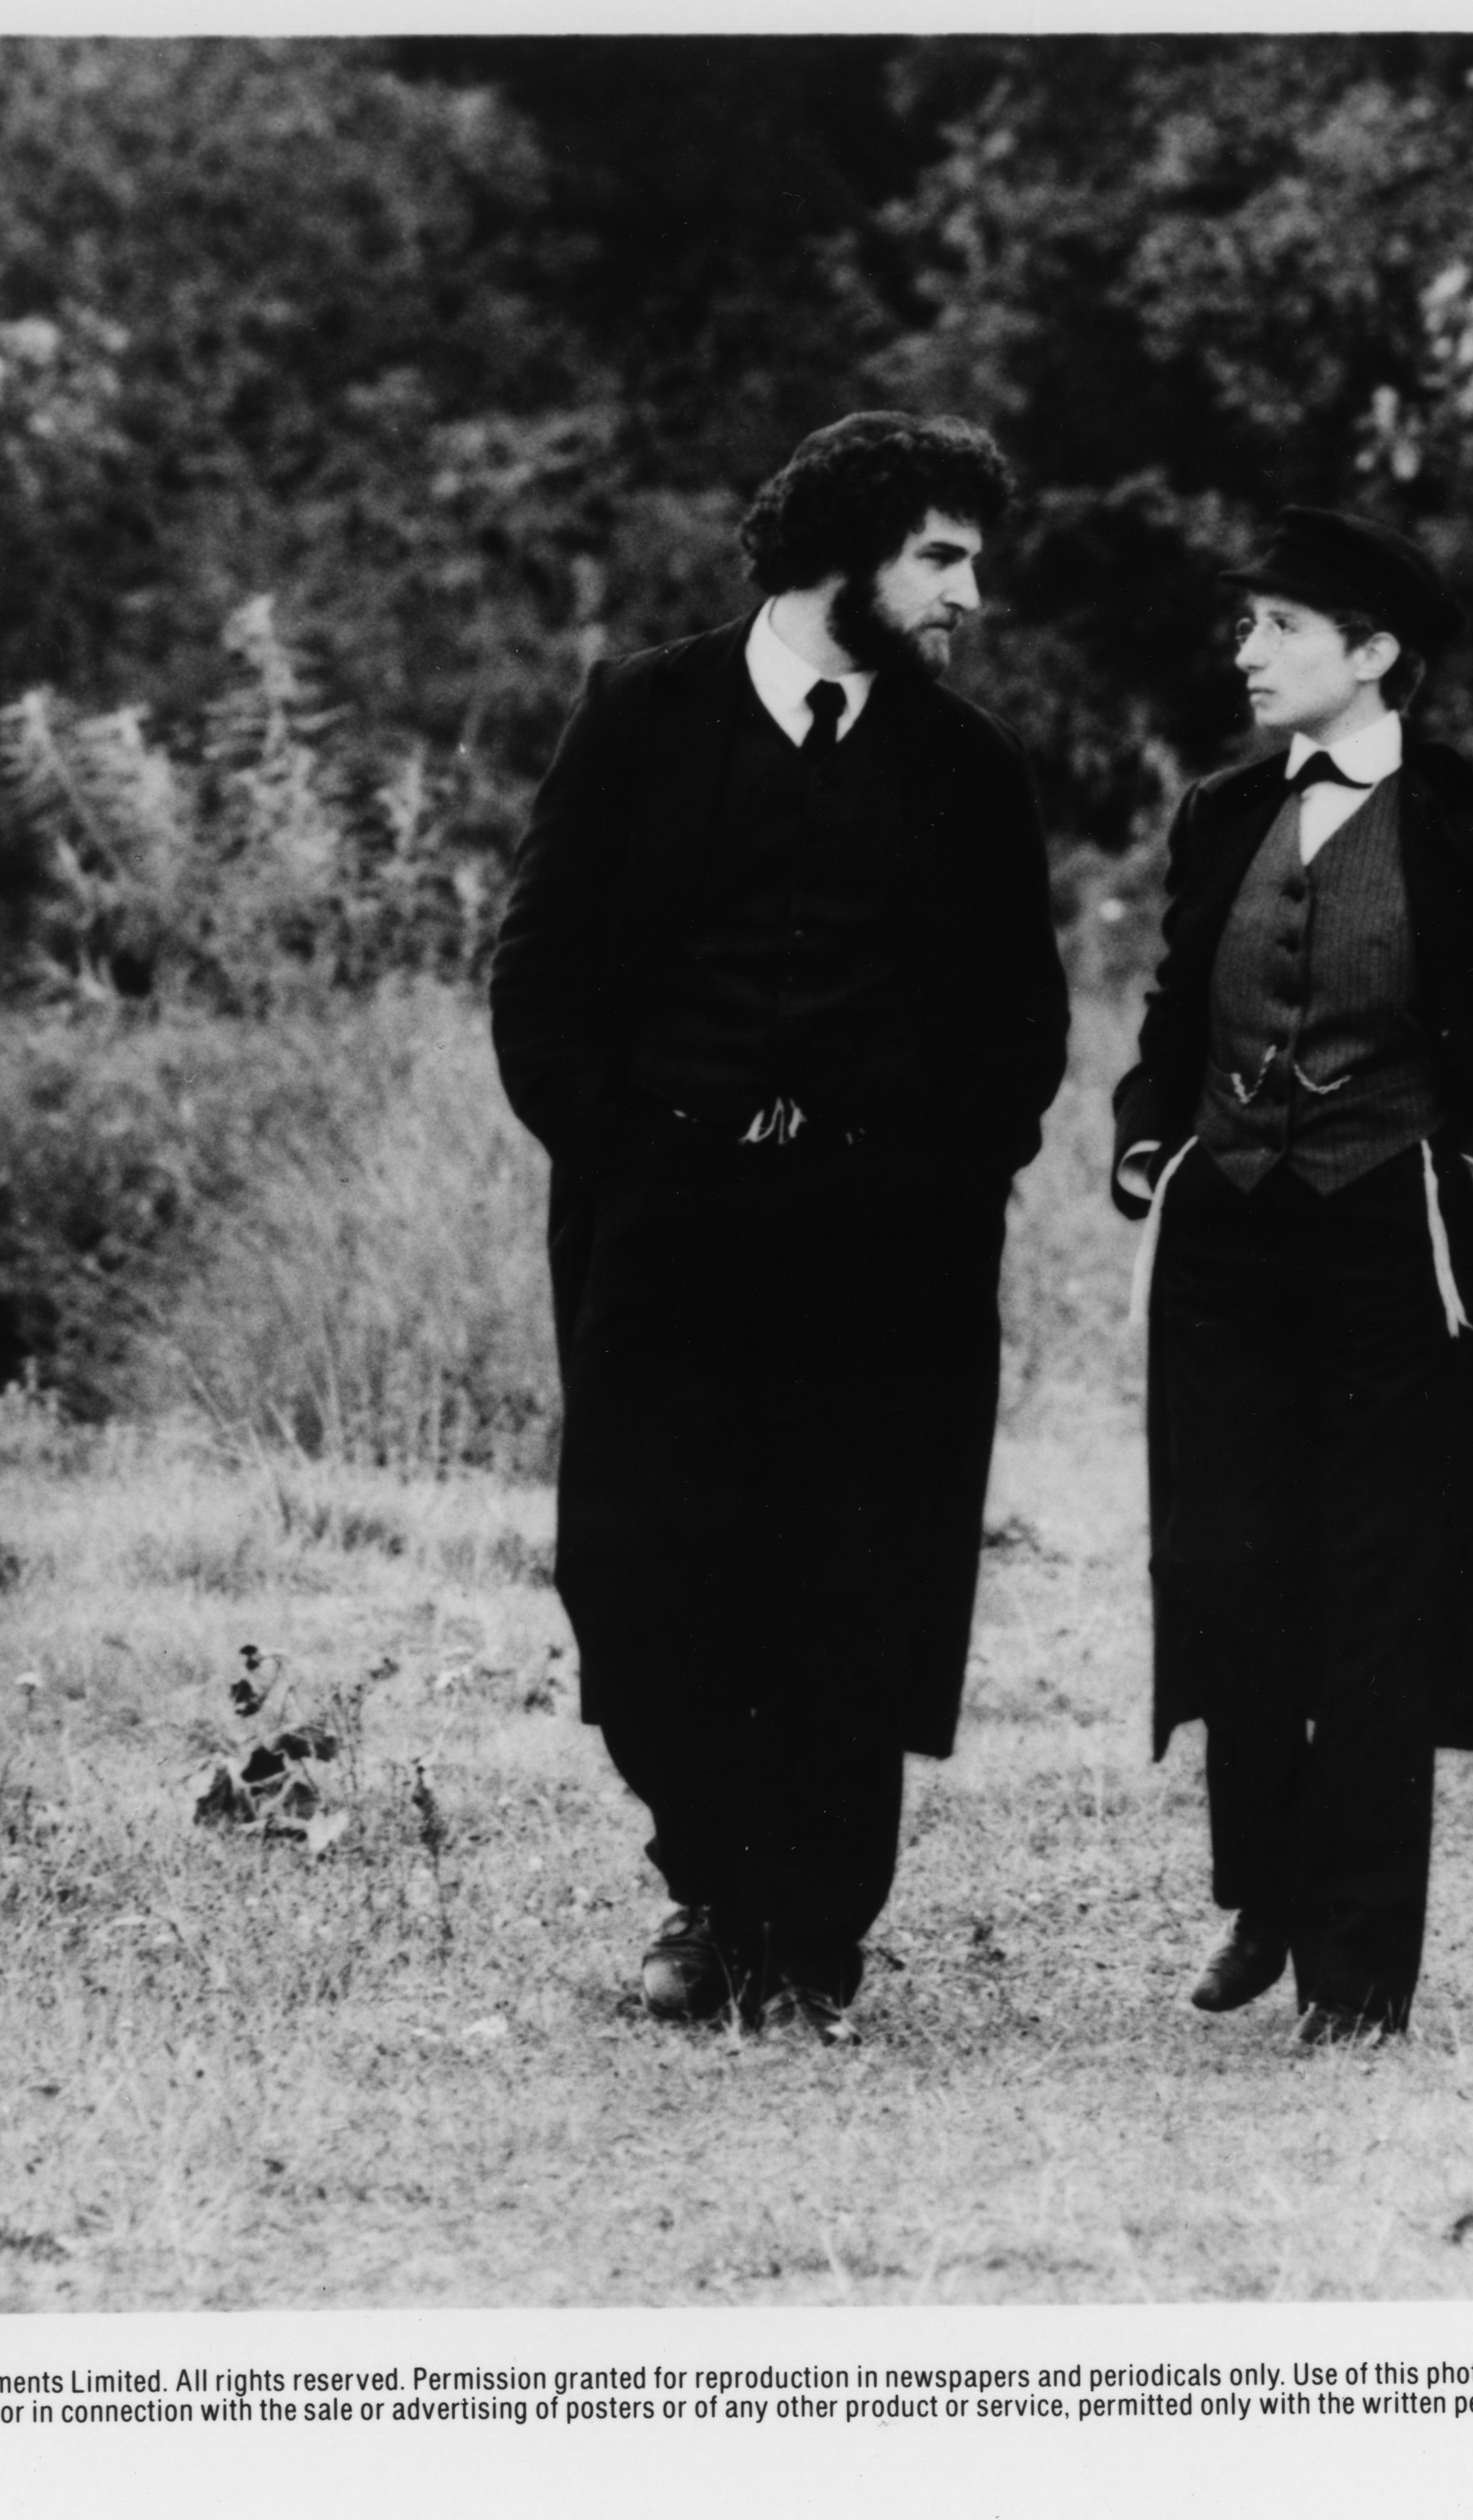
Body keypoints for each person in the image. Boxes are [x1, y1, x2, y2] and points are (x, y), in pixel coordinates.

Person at [491, 412, 1069, 2041]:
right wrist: (637, 1166)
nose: (969, 596)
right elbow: (540, 988)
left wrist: (929, 1182)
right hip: (666, 1234)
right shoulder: (643, 717)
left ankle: (803, 1934)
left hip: (885, 1250)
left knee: (851, 1579)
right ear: (842, 557)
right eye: (942, 558)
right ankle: (712, 1876)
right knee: (636, 1572)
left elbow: (1017, 1035)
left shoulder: (968, 770)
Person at [1111, 507, 1473, 2047]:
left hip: (1398, 1262)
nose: (1245, 651)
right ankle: (1265, 1890)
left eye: (1277, 626)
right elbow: (1165, 1027)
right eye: (1244, 625)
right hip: (1227, 1256)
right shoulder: (1216, 816)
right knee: (1234, 1582)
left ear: (1374, 654)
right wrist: (1148, 1139)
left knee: (1374, 1600)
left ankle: (1356, 1974)